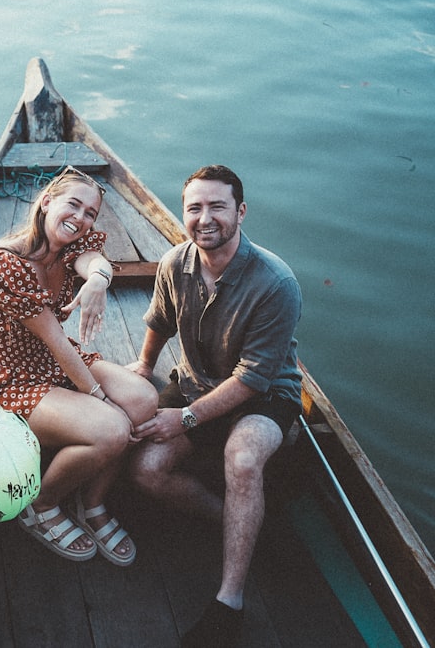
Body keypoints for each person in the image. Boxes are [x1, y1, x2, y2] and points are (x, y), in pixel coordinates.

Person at [127, 165, 302, 646]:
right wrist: (144, 364)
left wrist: (184, 418)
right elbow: (160, 320)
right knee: (146, 470)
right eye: (194, 208)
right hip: (193, 385)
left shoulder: (276, 282)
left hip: (264, 398)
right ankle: (243, 524)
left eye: (217, 206)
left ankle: (230, 601)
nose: (205, 218)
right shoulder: (172, 264)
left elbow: (253, 378)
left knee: (242, 458)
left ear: (240, 211)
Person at [0, 166, 158, 564]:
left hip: (59, 364)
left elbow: (94, 259)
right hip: (17, 380)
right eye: (73, 204)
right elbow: (56, 340)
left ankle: (91, 504)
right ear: (46, 203)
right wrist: (99, 398)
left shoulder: (68, 247)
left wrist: (98, 280)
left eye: (91, 211)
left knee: (143, 400)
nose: (81, 217)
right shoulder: (3, 265)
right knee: (112, 429)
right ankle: (41, 505)